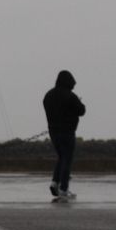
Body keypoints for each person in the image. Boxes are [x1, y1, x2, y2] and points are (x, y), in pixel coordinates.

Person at [42, 70, 86, 200]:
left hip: (53, 132)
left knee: (61, 157)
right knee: (67, 159)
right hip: (67, 132)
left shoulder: (48, 95)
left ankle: (55, 183)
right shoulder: (70, 96)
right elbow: (82, 110)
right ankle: (63, 189)